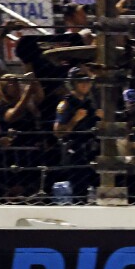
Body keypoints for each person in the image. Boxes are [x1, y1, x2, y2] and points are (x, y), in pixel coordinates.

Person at [53, 66, 99, 198]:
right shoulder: (66, 104)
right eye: (80, 81)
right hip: (74, 150)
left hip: (90, 149)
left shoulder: (89, 103)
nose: (85, 84)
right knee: (79, 188)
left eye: (87, 81)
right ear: (73, 83)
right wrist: (74, 120)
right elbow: (58, 132)